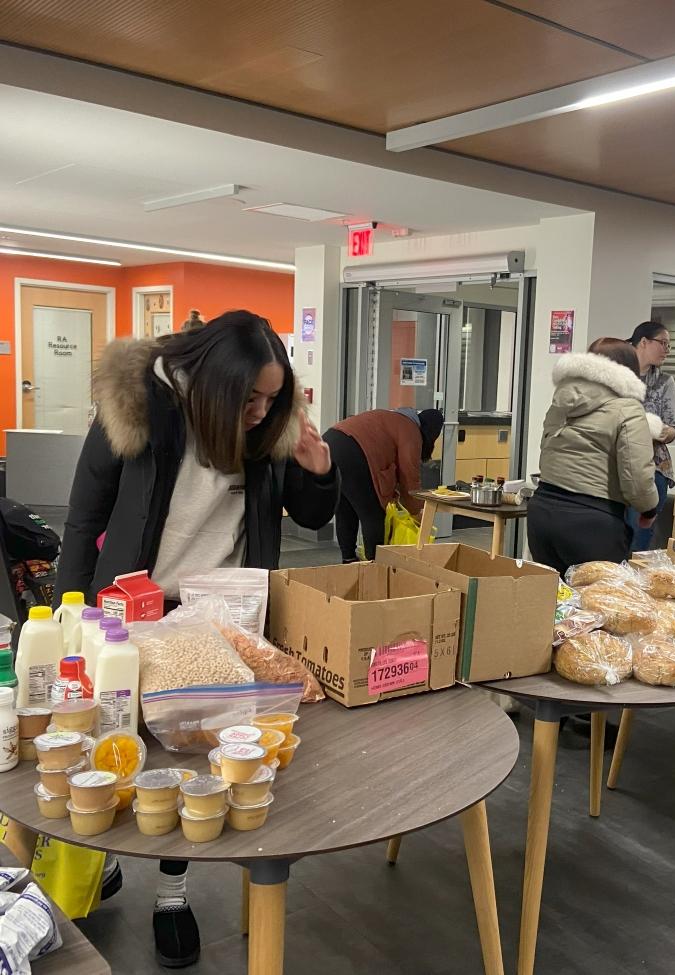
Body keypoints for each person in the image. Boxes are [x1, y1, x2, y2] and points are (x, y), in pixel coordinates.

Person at [55, 310, 339, 968]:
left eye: (273, 398)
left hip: (223, 616)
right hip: (132, 609)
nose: (261, 411)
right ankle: (101, 859)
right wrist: (70, 619)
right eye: (251, 398)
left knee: (194, 756)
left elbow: (316, 512)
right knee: (117, 744)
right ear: (211, 383)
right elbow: (83, 518)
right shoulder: (137, 409)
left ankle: (173, 894)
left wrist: (318, 467)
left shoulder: (268, 425)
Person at [527, 338, 662, 578]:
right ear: (629, 371)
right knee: (598, 607)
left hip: (542, 512)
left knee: (552, 601)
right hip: (591, 521)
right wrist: (648, 509)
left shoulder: (562, 401)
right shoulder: (628, 409)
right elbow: (637, 476)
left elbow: (547, 448)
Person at [324, 407, 445, 562]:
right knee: (373, 513)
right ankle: (375, 565)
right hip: (352, 451)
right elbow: (409, 477)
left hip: (328, 444)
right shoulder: (411, 430)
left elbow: (389, 464)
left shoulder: (392, 418)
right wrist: (416, 512)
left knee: (345, 508)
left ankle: (348, 560)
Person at [628, 321, 675, 548]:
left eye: (669, 345)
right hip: (621, 462)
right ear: (644, 342)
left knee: (639, 535)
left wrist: (665, 432)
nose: (667, 350)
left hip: (653, 464)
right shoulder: (619, 376)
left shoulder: (664, 382)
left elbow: (672, 428)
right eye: (663, 343)